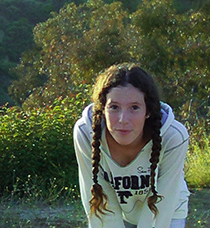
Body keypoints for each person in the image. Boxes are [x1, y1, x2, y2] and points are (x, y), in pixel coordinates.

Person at [73, 63, 189, 228]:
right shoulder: (85, 133)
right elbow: (100, 207)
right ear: (102, 109)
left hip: (167, 211)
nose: (123, 119)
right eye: (114, 107)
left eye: (134, 107)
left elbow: (163, 205)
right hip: (121, 212)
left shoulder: (174, 137)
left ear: (148, 111)